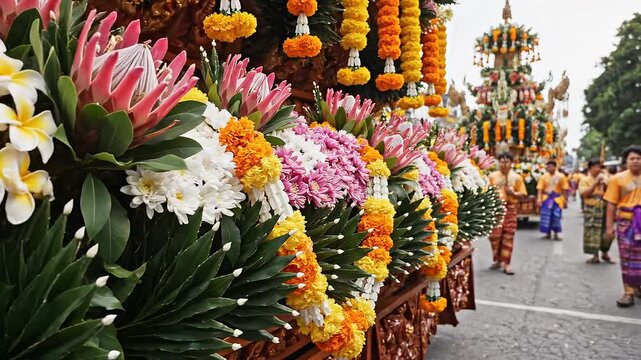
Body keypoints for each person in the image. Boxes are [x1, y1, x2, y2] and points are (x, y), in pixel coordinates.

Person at [604, 145, 641, 307]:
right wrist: (609, 227)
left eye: (639, 158)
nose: (636, 161)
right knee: (627, 259)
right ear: (626, 161)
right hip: (626, 223)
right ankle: (628, 292)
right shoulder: (616, 180)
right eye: (632, 158)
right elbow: (611, 204)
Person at [488, 152, 528, 275]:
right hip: (496, 209)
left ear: (511, 163)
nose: (504, 164)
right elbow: (486, 192)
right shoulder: (492, 176)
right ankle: (497, 259)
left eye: (507, 161)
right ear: (498, 162)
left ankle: (506, 263)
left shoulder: (517, 177)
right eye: (502, 161)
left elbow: (523, 194)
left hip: (510, 209)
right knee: (494, 236)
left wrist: (513, 194)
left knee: (508, 236)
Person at [580, 159, 613, 264]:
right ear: (589, 169)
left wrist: (605, 185)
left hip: (604, 207)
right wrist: (595, 183)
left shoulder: (606, 179)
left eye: (599, 167)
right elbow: (584, 194)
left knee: (607, 231)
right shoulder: (584, 180)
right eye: (595, 167)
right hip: (591, 208)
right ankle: (595, 255)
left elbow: (611, 194)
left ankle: (605, 252)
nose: (598, 169)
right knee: (593, 231)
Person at [537, 160, 569, 240]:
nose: (550, 168)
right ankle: (548, 234)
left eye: (551, 166)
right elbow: (540, 189)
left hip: (557, 199)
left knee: (556, 217)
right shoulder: (543, 177)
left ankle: (556, 234)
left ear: (555, 167)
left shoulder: (561, 177)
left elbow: (565, 189)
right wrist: (539, 199)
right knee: (546, 216)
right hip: (546, 199)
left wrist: (565, 200)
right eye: (548, 167)